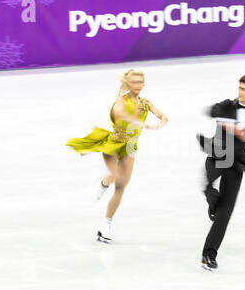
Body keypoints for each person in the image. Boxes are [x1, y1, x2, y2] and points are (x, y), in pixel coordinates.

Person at [66, 69, 169, 243]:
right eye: (134, 82)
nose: (137, 85)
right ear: (128, 84)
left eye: (140, 82)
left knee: (121, 186)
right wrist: (141, 122)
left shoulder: (146, 103)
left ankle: (106, 224)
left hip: (130, 147)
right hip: (113, 143)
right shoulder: (121, 100)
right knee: (115, 176)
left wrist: (161, 122)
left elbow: (162, 114)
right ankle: (104, 182)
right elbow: (120, 113)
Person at [196, 74, 245, 271]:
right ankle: (212, 202)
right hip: (217, 155)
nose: (241, 92)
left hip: (236, 163)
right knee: (209, 188)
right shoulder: (227, 105)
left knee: (225, 213)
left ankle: (209, 255)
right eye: (240, 87)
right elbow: (212, 111)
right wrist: (230, 125)